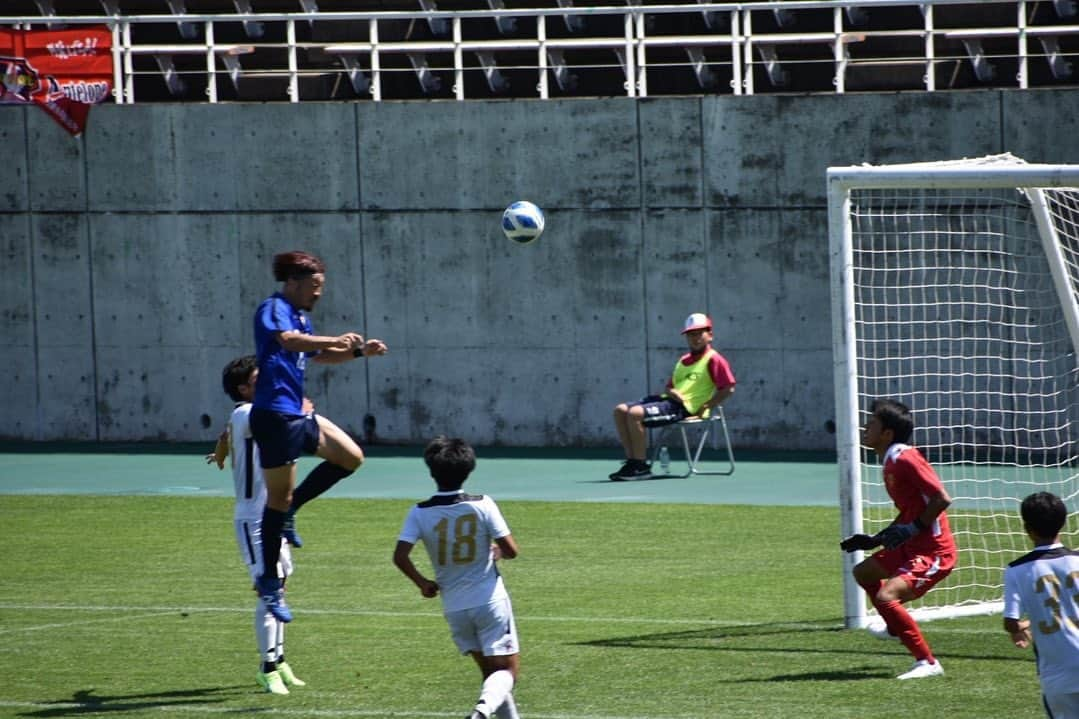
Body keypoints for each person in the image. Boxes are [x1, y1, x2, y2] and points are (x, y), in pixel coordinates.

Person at [250, 250, 388, 623]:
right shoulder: (273, 308)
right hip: (275, 417)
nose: (318, 293)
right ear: (293, 282)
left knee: (351, 457)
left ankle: (294, 510)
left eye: (321, 286)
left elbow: (318, 357)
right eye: (314, 286)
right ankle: (268, 580)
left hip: (298, 413)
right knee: (277, 498)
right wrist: (337, 339)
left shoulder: (301, 316)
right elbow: (290, 342)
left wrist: (358, 352)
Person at [393, 437, 522, 719]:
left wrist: (423, 582)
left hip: (454, 606)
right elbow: (511, 550)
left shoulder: (419, 512)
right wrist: (498, 551)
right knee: (506, 672)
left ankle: (487, 711)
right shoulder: (483, 504)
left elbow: (400, 556)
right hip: (489, 601)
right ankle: (480, 713)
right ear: (469, 469)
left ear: (431, 471)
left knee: (491, 675)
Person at [206, 355, 307, 695]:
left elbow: (225, 433)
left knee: (281, 586)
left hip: (272, 513)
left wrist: (220, 451)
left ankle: (279, 660)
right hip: (253, 520)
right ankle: (266, 668)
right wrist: (301, 408)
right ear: (243, 388)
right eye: (258, 379)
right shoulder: (248, 413)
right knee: (268, 591)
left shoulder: (245, 415)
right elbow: (285, 421)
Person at [839, 398, 956, 680]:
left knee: (886, 596)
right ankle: (894, 626)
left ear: (888, 433)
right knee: (863, 572)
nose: (866, 428)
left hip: (933, 552)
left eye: (872, 424)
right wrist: (876, 540)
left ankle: (927, 662)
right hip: (912, 544)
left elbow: (942, 498)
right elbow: (909, 510)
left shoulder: (905, 458)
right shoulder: (891, 460)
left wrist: (913, 528)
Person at [609, 312, 735, 481]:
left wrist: (707, 406)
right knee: (620, 410)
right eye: (691, 335)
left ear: (710, 335)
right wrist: (672, 392)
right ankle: (632, 462)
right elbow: (669, 387)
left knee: (634, 414)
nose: (695, 338)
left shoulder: (714, 359)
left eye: (699, 334)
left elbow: (728, 387)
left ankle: (640, 466)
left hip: (685, 408)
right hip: (669, 401)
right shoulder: (683, 360)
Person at [1002, 492, 1079, 717]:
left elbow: (1010, 621)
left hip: (1059, 676)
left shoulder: (1017, 570)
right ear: (1063, 523)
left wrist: (1022, 627)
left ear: (1027, 528)